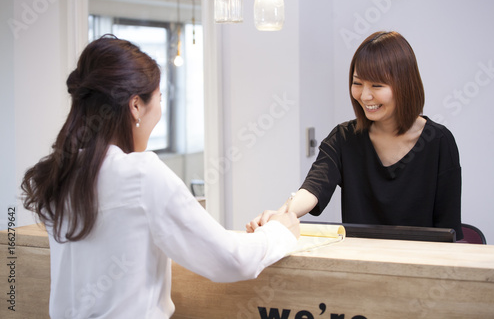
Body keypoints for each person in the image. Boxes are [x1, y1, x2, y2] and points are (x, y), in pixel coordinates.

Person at [21, 35, 300, 318]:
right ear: (135, 106)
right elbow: (231, 259)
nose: (160, 110)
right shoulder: (141, 175)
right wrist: (278, 231)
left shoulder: (59, 173)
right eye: (159, 98)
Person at [247, 31, 463, 240]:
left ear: (405, 85)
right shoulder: (344, 138)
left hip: (420, 266)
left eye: (377, 85)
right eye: (358, 83)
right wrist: (280, 215)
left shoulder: (438, 142)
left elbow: (448, 229)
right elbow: (313, 188)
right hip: (360, 262)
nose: (365, 95)